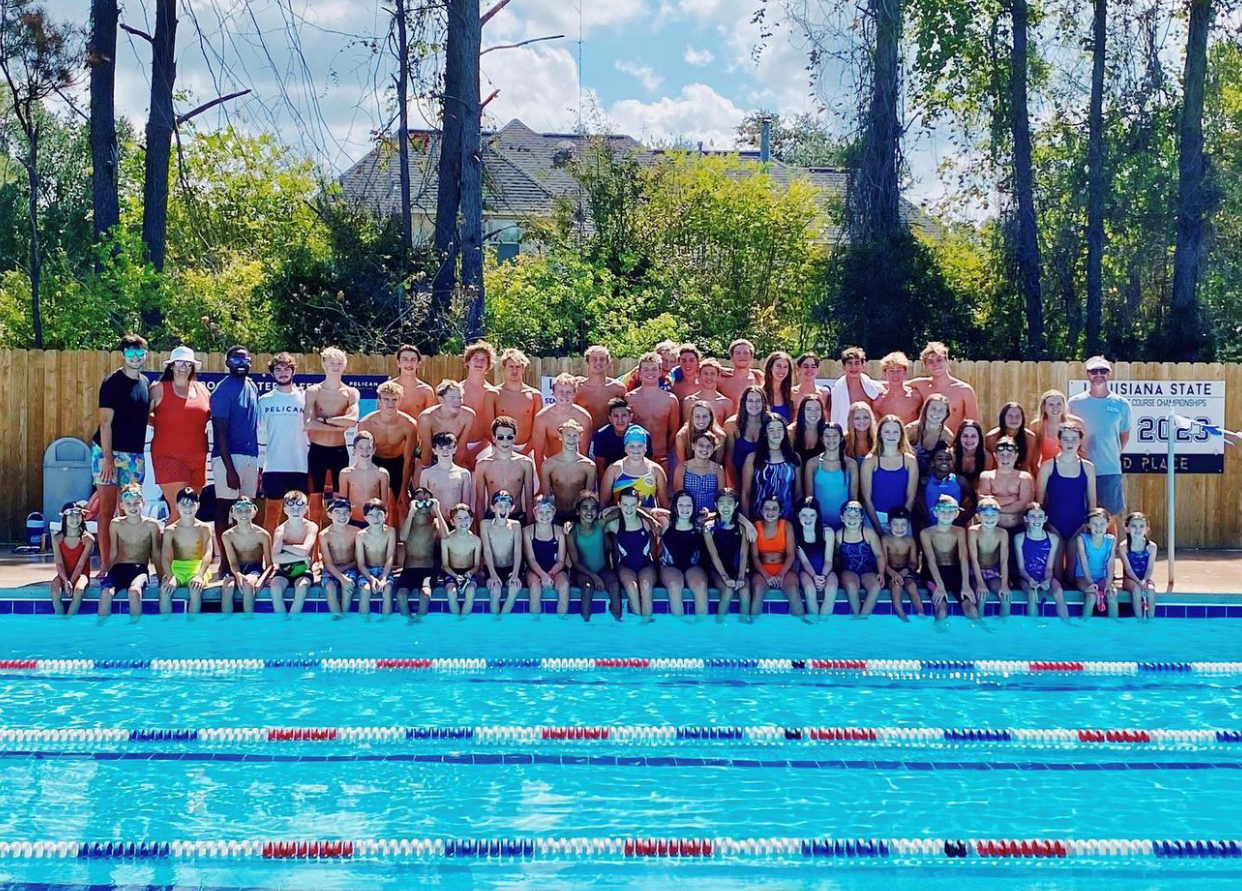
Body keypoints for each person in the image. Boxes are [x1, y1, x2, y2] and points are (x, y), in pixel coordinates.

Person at [91, 334, 151, 575]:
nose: (135, 358)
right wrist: (108, 459)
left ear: (145, 355)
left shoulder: (145, 383)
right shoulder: (112, 383)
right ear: (123, 356)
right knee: (107, 510)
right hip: (107, 453)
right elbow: (105, 423)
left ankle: (129, 561)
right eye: (130, 353)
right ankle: (107, 564)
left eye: (139, 353)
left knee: (131, 509)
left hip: (133, 456)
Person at [1068, 356, 1132, 523]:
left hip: (1109, 470)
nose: (1098, 375)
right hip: (1079, 470)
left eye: (1103, 371)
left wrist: (1110, 453)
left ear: (1109, 374)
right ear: (1087, 374)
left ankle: (1110, 543)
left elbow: (1124, 435)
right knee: (1080, 516)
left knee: (1109, 518)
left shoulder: (1121, 404)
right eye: (1094, 371)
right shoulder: (1074, 403)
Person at [149, 346, 210, 510]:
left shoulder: (202, 390)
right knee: (180, 510)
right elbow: (139, 418)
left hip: (198, 459)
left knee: (191, 512)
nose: (184, 367)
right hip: (168, 458)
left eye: (188, 363)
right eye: (179, 362)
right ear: (171, 365)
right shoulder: (158, 389)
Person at [304, 347, 360, 522]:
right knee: (315, 502)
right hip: (317, 451)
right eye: (332, 363)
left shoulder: (350, 392)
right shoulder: (314, 391)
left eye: (339, 363)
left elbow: (352, 420)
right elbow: (308, 423)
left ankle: (338, 537)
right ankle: (314, 539)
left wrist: (325, 421)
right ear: (323, 365)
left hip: (339, 451)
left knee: (340, 501)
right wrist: (337, 427)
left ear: (345, 366)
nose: (336, 367)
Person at [258, 353, 310, 537]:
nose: (282, 373)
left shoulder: (305, 399)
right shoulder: (264, 400)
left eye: (287, 369)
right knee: (272, 513)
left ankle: (303, 552)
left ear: (293, 371)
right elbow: (260, 433)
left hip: (300, 465)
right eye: (278, 369)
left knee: (303, 515)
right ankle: (270, 553)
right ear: (272, 373)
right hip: (273, 466)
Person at [1036, 422, 1097, 576]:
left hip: (1078, 524)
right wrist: (1041, 525)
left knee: (1071, 576)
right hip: (1054, 524)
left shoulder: (1088, 467)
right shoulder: (1048, 466)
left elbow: (1092, 502)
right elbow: (1039, 501)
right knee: (1056, 574)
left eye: (1074, 439)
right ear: (1059, 441)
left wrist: (1090, 525)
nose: (1070, 443)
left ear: (1080, 441)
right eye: (1065, 439)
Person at [358, 380, 419, 520]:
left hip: (398, 462)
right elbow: (362, 454)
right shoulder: (366, 423)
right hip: (374, 461)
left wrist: (404, 489)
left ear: (400, 400)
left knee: (403, 504)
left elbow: (409, 458)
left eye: (394, 399)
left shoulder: (409, 424)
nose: (390, 403)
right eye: (386, 399)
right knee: (371, 502)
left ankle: (403, 533)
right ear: (379, 400)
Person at [99, 483, 161, 620]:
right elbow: (113, 552)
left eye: (136, 503)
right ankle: (101, 628)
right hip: (118, 568)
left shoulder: (152, 525)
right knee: (106, 593)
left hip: (139, 569)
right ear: (121, 505)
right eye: (128, 504)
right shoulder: (116, 524)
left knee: (134, 592)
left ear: (143, 503)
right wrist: (108, 572)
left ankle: (135, 628)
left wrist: (162, 577)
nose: (132, 507)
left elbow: (156, 553)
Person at [604, 487, 660, 621]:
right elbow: (594, 528)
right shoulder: (613, 525)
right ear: (619, 504)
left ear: (638, 504)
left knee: (645, 585)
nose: (629, 509)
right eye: (625, 505)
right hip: (624, 566)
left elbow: (659, 530)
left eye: (633, 505)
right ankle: (638, 623)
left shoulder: (645, 523)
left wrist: (645, 515)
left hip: (646, 565)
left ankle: (646, 623)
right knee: (631, 587)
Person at [919, 494, 976, 620]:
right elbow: (931, 560)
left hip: (955, 572)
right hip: (933, 574)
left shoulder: (959, 531)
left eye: (950, 511)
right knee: (941, 610)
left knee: (971, 609)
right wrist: (939, 585)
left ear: (956, 514)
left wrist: (966, 584)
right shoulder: (926, 533)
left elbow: (963, 558)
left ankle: (978, 632)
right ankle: (940, 632)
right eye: (942, 511)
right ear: (935, 513)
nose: (946, 514)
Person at [159, 487, 214, 615]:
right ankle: (166, 623)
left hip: (197, 567)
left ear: (198, 505)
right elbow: (165, 556)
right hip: (177, 568)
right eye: (183, 504)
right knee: (165, 590)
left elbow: (208, 553)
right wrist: (170, 576)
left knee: (195, 590)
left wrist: (200, 575)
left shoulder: (204, 528)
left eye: (191, 504)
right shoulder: (170, 530)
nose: (187, 508)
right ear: (176, 506)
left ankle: (192, 624)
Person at [861, 415, 918, 534]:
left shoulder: (910, 460)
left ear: (901, 434)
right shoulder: (870, 461)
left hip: (901, 520)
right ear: (880, 434)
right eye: (887, 432)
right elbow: (867, 499)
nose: (891, 435)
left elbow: (911, 497)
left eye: (895, 432)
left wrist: (901, 522)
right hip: (875, 518)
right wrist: (878, 529)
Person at [567, 491, 620, 621]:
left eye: (593, 508)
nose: (589, 512)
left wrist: (610, 509)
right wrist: (593, 576)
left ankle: (617, 620)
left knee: (614, 585)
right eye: (585, 508)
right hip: (582, 571)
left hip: (602, 569)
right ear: (578, 511)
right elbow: (575, 562)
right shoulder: (572, 532)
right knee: (587, 587)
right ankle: (586, 621)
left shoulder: (600, 525)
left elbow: (620, 511)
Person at [748, 494, 801, 621]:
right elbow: (754, 557)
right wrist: (766, 576)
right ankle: (753, 627)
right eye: (766, 508)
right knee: (758, 590)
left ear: (780, 511)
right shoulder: (755, 527)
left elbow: (791, 555)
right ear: (761, 511)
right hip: (762, 571)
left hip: (784, 570)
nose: (770, 512)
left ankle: (800, 626)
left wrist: (781, 574)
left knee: (793, 590)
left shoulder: (787, 526)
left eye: (774, 509)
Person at [658, 491, 711, 618]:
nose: (685, 509)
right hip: (669, 566)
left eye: (689, 505)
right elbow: (644, 510)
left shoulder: (699, 525)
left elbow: (725, 513)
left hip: (693, 566)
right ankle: (679, 626)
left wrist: (708, 514)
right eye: (680, 505)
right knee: (674, 585)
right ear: (675, 507)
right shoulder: (666, 523)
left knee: (701, 585)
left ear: (694, 507)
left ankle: (702, 625)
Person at [475, 416, 537, 521]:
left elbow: (529, 500)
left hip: (517, 517)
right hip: (492, 518)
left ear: (515, 438)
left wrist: (530, 526)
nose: (505, 441)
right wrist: (480, 527)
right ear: (493, 438)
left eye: (509, 437)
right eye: (500, 437)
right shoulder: (483, 465)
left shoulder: (525, 463)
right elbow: (480, 501)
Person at [1014, 502, 1068, 621]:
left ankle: (1066, 624)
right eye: (1032, 516)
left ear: (1045, 519)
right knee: (1032, 594)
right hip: (1025, 577)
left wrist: (1047, 580)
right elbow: (1021, 569)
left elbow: (1049, 567)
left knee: (1058, 592)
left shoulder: (1053, 538)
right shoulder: (1019, 538)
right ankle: (1033, 626)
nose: (1036, 520)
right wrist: (1030, 580)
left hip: (1045, 575)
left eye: (1040, 517)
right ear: (1026, 519)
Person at [910, 341, 979, 432]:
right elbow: (895, 385)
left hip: (952, 439)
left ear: (947, 361)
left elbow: (973, 424)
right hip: (925, 440)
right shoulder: (920, 385)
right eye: (930, 361)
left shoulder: (964, 390)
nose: (935, 364)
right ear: (925, 365)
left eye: (939, 360)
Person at [395, 488, 442, 620]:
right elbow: (403, 537)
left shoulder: (434, 523)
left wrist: (437, 511)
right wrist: (411, 511)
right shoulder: (407, 522)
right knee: (401, 595)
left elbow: (445, 536)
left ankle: (419, 621)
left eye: (427, 500)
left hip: (428, 570)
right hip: (409, 570)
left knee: (425, 594)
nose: (423, 504)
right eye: (419, 500)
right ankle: (408, 621)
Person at [703, 488, 749, 621]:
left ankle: (745, 624)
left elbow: (743, 554)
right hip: (717, 570)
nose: (725, 507)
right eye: (722, 503)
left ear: (736, 505)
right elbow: (714, 555)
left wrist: (741, 577)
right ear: (716, 505)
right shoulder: (709, 528)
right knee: (728, 591)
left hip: (737, 569)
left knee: (745, 592)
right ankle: (719, 624)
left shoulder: (742, 528)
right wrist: (725, 577)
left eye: (729, 503)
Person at [220, 497, 272, 614]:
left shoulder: (262, 535)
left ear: (254, 512)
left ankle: (248, 620)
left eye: (247, 510)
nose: (244, 514)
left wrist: (261, 580)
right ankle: (226, 621)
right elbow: (233, 562)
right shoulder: (227, 535)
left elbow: (270, 565)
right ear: (233, 514)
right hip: (235, 568)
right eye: (239, 511)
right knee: (228, 587)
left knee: (248, 584)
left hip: (254, 568)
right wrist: (238, 575)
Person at [742, 415, 800, 521]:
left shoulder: (793, 458)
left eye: (780, 429)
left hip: (787, 517)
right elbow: (746, 492)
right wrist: (746, 521)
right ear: (765, 433)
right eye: (771, 430)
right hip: (759, 517)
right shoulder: (753, 458)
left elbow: (798, 493)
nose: (776, 433)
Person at [627, 351, 680, 467]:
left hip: (661, 456)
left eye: (654, 369)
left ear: (660, 372)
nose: (650, 373)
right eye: (646, 369)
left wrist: (666, 452)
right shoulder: (629, 398)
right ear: (639, 373)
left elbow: (674, 431)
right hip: (635, 456)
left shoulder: (670, 400)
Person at [269, 489, 318, 615]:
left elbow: (305, 550)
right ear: (285, 510)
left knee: (301, 587)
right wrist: (301, 557)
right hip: (284, 570)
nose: (295, 511)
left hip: (304, 570)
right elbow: (275, 558)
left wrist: (285, 547)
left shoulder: (311, 527)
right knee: (275, 587)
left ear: (306, 509)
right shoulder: (281, 530)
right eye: (292, 508)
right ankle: (281, 619)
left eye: (299, 508)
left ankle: (293, 619)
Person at [539, 420, 598, 523]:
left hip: (579, 518)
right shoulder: (548, 465)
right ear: (560, 436)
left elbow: (589, 499)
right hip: (556, 516)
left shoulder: (588, 466)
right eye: (568, 435)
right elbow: (546, 497)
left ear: (580, 437)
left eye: (575, 435)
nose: (571, 439)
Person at [531, 373, 594, 468]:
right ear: (553, 392)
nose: (564, 396)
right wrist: (542, 476)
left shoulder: (584, 417)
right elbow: (538, 454)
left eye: (568, 392)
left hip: (574, 464)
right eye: (560, 391)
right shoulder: (542, 417)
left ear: (574, 393)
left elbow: (584, 453)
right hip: (550, 463)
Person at [833, 501, 884, 617]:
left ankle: (862, 617)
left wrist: (881, 573)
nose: (852, 519)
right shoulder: (839, 535)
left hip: (868, 571)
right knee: (851, 586)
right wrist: (837, 573)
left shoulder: (869, 533)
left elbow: (879, 555)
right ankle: (857, 615)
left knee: (876, 586)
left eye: (856, 516)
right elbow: (836, 556)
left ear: (861, 518)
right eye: (848, 516)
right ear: (842, 518)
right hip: (848, 571)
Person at [976, 435, 1035, 531]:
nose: (1005, 458)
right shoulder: (986, 476)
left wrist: (995, 505)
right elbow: (984, 504)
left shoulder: (1024, 477)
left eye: (1009, 455)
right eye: (1001, 455)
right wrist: (1012, 499)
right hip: (992, 528)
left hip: (1018, 527)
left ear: (1016, 456)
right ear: (995, 456)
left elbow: (1023, 505)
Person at [805, 423, 856, 531]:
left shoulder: (851, 464)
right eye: (827, 436)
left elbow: (853, 498)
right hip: (819, 523)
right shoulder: (812, 464)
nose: (831, 439)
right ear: (822, 439)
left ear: (841, 438)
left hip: (845, 524)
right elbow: (809, 498)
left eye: (835, 436)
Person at [601, 426, 667, 508]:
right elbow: (603, 503)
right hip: (621, 515)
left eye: (640, 446)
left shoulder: (656, 470)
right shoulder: (614, 469)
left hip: (648, 516)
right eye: (631, 446)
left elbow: (665, 505)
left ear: (645, 448)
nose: (636, 449)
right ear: (625, 448)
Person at [481, 489, 523, 616]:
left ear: (512, 508)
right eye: (499, 505)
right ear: (492, 508)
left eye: (507, 506)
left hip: (510, 569)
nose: (503, 509)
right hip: (492, 568)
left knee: (514, 589)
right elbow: (487, 551)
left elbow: (517, 551)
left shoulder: (515, 525)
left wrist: (515, 574)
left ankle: (503, 621)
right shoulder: (485, 525)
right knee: (495, 591)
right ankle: (495, 621)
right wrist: (493, 574)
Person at [793, 496, 837, 619]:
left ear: (817, 516)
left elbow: (828, 561)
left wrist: (823, 576)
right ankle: (814, 622)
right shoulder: (795, 535)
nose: (808, 519)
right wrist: (814, 577)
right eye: (804, 515)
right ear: (798, 515)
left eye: (812, 515)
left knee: (832, 588)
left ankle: (823, 623)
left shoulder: (827, 532)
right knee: (809, 589)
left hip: (826, 571)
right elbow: (805, 562)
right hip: (806, 572)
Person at [418, 379, 477, 470]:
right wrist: (427, 471)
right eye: (452, 398)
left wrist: (455, 472)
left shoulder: (469, 416)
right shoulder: (426, 417)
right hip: (430, 455)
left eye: (460, 398)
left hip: (452, 454)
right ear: (441, 399)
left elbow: (461, 448)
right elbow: (426, 449)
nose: (457, 402)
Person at [968, 495, 1011, 618]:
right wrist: (980, 583)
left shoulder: (1002, 533)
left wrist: (1004, 584)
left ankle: (1005, 626)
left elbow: (1004, 560)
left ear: (998, 516)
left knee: (1006, 597)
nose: (990, 518)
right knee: (981, 597)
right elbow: (974, 559)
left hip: (993, 572)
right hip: (975, 572)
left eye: (993, 515)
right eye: (986, 515)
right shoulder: (973, 531)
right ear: (978, 516)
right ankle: (979, 626)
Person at [494, 348, 542, 455]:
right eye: (511, 367)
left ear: (523, 369)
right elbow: (488, 427)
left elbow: (538, 429)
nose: (514, 371)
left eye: (518, 367)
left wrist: (525, 452)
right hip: (500, 448)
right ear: (503, 368)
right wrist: (504, 450)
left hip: (527, 449)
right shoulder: (494, 394)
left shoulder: (535, 395)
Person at [590, 397, 653, 478]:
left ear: (630, 417)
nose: (620, 420)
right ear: (610, 418)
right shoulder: (601, 436)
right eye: (616, 416)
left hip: (637, 475)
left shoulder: (643, 435)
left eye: (624, 415)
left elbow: (647, 463)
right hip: (611, 476)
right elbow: (600, 467)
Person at [461, 341, 500, 468]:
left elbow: (494, 427)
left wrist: (475, 452)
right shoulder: (457, 390)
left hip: (484, 447)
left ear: (488, 365)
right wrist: (461, 450)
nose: (479, 363)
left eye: (484, 360)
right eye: (476, 358)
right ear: (468, 362)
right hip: (456, 446)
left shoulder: (492, 393)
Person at [319, 496, 361, 615]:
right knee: (330, 588)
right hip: (331, 568)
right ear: (329, 514)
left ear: (350, 514)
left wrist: (344, 574)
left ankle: (344, 616)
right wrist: (341, 577)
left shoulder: (356, 532)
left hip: (350, 568)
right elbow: (327, 563)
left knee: (348, 587)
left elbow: (358, 560)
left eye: (346, 512)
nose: (342, 516)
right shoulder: (324, 535)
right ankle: (337, 617)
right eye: (337, 512)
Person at [337, 431, 390, 525]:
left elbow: (384, 505)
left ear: (374, 450)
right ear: (354, 450)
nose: (364, 452)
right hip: (353, 521)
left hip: (373, 523)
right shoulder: (346, 474)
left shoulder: (381, 474)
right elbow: (343, 504)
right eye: (360, 447)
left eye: (368, 447)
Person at [50, 502, 93, 616]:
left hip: (81, 575)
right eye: (71, 516)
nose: (75, 519)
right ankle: (60, 618)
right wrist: (65, 580)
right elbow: (59, 563)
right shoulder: (57, 539)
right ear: (64, 518)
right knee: (55, 591)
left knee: (78, 590)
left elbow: (80, 565)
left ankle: (70, 617)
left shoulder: (87, 539)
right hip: (63, 574)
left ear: (82, 517)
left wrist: (71, 581)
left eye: (78, 515)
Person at [417, 432, 473, 517]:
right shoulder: (427, 474)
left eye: (449, 448)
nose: (445, 451)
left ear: (455, 449)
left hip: (456, 520)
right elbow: (423, 503)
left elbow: (466, 504)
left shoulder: (464, 474)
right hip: (434, 520)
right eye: (441, 448)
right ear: (434, 450)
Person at [881, 507, 923, 620]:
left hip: (905, 570)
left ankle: (921, 612)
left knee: (912, 585)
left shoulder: (910, 541)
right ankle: (901, 613)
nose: (899, 528)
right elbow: (883, 562)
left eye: (903, 525)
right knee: (896, 585)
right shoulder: (885, 540)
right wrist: (893, 574)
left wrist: (905, 572)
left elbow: (914, 563)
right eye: (895, 524)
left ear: (908, 525)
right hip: (889, 571)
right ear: (889, 525)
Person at [440, 502, 481, 617]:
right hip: (451, 572)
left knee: (470, 591)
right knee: (451, 592)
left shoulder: (476, 540)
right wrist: (455, 576)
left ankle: (463, 621)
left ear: (471, 520)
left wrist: (470, 573)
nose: (464, 521)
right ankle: (456, 621)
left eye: (466, 518)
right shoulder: (446, 540)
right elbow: (445, 565)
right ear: (452, 522)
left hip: (469, 572)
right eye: (459, 518)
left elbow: (477, 565)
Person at [1076, 507, 1117, 620]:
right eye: (1094, 524)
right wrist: (1089, 582)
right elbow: (1083, 561)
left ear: (1108, 524)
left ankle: (1114, 624)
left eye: (1102, 524)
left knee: (1112, 595)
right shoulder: (1082, 539)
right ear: (1088, 525)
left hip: (1101, 577)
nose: (1098, 528)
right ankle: (1085, 623)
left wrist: (1108, 583)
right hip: (1083, 577)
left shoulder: (1111, 540)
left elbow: (1111, 562)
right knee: (1091, 596)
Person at [575, 345, 627, 432]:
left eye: (602, 359)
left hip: (609, 436)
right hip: (584, 436)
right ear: (588, 362)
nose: (598, 362)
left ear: (607, 363)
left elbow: (625, 415)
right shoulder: (578, 388)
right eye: (594, 359)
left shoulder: (617, 388)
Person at [723, 386, 767, 489]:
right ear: (744, 403)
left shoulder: (770, 423)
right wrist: (736, 487)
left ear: (763, 403)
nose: (754, 404)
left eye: (758, 401)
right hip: (738, 479)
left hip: (764, 480)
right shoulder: (732, 425)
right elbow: (728, 461)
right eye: (750, 401)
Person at [674, 431, 725, 515]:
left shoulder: (718, 469)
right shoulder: (682, 468)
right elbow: (678, 496)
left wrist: (712, 515)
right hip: (687, 515)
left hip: (711, 515)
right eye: (701, 445)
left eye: (709, 446)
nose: (705, 449)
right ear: (693, 446)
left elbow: (721, 497)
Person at [1119, 510, 1158, 621]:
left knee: (1151, 591)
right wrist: (1138, 581)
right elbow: (1128, 568)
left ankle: (1150, 620)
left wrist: (1144, 580)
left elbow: (1149, 568)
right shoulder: (1124, 546)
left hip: (1145, 578)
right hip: (1130, 579)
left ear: (1147, 529)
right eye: (1134, 526)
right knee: (1136, 590)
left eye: (1141, 526)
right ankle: (1139, 619)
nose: (1138, 529)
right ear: (1127, 529)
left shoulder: (1151, 547)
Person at [905, 393, 954, 480]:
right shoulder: (911, 430)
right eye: (933, 408)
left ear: (946, 414)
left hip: (933, 479)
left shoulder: (947, 436)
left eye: (941, 410)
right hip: (909, 474)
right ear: (926, 410)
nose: (936, 413)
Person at [829, 347, 881, 428]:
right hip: (846, 432)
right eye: (850, 363)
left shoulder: (875, 389)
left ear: (863, 366)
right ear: (843, 367)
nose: (853, 367)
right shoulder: (836, 391)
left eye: (857, 363)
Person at [920, 442, 968, 528]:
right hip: (930, 529)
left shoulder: (960, 481)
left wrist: (963, 518)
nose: (944, 462)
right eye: (940, 459)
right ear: (932, 463)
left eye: (947, 459)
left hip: (953, 529)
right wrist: (925, 519)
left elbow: (974, 502)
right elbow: (919, 504)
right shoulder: (925, 482)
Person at [986, 402, 1040, 478]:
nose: (1014, 419)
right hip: (998, 476)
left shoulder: (1030, 437)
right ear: (1003, 418)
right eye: (1010, 416)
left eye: (1017, 416)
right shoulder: (992, 437)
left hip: (1021, 476)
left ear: (1023, 418)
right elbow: (993, 466)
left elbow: (1026, 465)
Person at [1034, 389, 1085, 464]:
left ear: (1064, 406)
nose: (1055, 408)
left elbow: (1083, 452)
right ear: (1044, 407)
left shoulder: (1077, 423)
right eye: (1051, 404)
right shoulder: (1037, 426)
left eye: (1059, 404)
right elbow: (1034, 458)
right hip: (1047, 469)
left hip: (1072, 468)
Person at [872, 352, 922, 424]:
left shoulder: (916, 397)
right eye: (891, 371)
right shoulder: (879, 402)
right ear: (885, 373)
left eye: (899, 370)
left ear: (905, 372)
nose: (895, 374)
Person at [682, 358, 735, 425]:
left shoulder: (726, 403)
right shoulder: (689, 401)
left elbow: (729, 428)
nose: (709, 377)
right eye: (705, 373)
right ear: (699, 376)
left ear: (718, 376)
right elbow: (686, 427)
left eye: (712, 374)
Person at [391, 344, 437, 420]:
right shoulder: (388, 389)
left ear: (418, 364)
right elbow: (380, 417)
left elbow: (430, 420)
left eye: (413, 360)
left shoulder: (426, 391)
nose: (409, 364)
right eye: (405, 359)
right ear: (398, 363)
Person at [674, 400, 726, 466]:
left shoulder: (720, 436)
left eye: (705, 416)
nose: (701, 420)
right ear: (692, 418)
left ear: (710, 417)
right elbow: (682, 465)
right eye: (697, 416)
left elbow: (718, 464)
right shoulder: (682, 436)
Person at [718, 338, 765, 404]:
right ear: (731, 356)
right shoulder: (722, 380)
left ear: (751, 356)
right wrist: (718, 368)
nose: (742, 356)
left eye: (745, 353)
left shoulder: (758, 378)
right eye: (738, 353)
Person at [952, 419, 990, 491]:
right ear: (959, 437)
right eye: (965, 436)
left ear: (979, 438)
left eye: (973, 436)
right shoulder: (952, 455)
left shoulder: (987, 457)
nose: (969, 440)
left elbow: (986, 482)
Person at [789, 394, 826, 467]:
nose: (813, 413)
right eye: (809, 409)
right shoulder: (791, 431)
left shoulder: (827, 431)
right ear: (802, 411)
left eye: (817, 409)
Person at [762, 351, 795, 422]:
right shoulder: (760, 394)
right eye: (778, 366)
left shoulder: (792, 395)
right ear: (770, 368)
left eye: (785, 367)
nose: (782, 370)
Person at [844, 401, 877, 468]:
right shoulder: (843, 439)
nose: (862, 421)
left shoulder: (878, 439)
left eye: (865, 417)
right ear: (851, 420)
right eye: (857, 418)